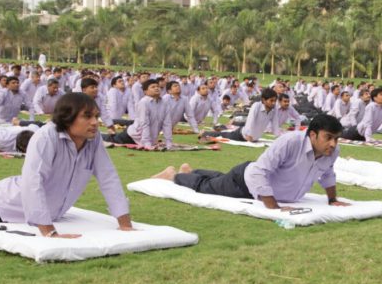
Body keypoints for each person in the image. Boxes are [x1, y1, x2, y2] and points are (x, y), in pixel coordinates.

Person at [0, 93, 133, 237]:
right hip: (2, 207)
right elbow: (33, 182)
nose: (94, 122)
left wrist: (125, 223)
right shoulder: (46, 137)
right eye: (87, 116)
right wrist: (49, 231)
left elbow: (108, 177)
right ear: (67, 118)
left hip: (7, 188)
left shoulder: (93, 139)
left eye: (96, 116)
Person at [151, 114, 349, 210]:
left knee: (219, 178)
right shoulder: (290, 142)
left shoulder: (332, 151)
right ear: (312, 135)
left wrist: (332, 199)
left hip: (246, 177)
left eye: (336, 139)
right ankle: (175, 176)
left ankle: (190, 171)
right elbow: (259, 173)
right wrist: (273, 207)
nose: (332, 144)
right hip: (246, 185)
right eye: (328, 137)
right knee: (206, 186)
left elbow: (328, 174)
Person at [102, 79, 172, 149]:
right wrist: (146, 143)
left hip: (149, 138)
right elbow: (144, 123)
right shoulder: (144, 102)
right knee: (109, 139)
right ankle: (99, 135)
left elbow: (167, 123)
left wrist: (168, 142)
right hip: (132, 136)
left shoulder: (164, 103)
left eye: (157, 86)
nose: (156, 88)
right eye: (153, 87)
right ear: (145, 92)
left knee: (112, 136)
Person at [199, 88, 279, 142]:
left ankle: (211, 131)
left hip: (254, 138)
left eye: (275, 101)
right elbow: (251, 121)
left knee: (225, 133)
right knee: (223, 135)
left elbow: (275, 125)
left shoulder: (274, 109)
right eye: (271, 100)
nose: (273, 103)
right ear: (263, 100)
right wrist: (249, 135)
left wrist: (278, 138)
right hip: (243, 134)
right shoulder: (256, 106)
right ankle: (205, 133)